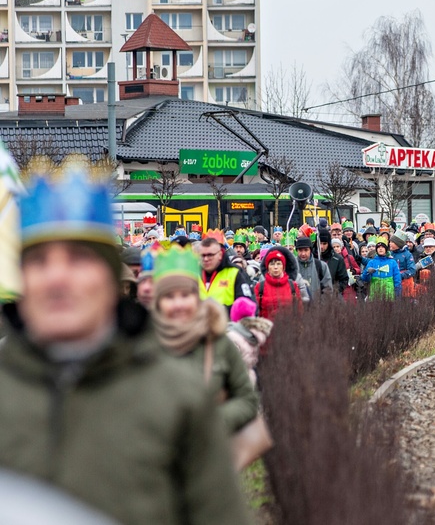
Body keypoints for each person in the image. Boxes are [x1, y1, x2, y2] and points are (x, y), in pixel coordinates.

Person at [0, 172, 251, 525]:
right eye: (38, 262)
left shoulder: (178, 394)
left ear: (110, 279)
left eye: (78, 259)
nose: (57, 277)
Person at [151, 246, 258, 436]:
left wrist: (214, 420)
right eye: (169, 296)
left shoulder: (221, 345)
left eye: (186, 295)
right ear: (157, 302)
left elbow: (248, 400)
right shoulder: (141, 345)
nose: (178, 304)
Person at [199, 231, 255, 315]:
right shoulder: (193, 275)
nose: (206, 259)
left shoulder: (235, 273)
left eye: (210, 255)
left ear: (220, 254)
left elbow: (247, 305)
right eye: (203, 255)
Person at [255, 248, 307, 319]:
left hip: (288, 328)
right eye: (272, 264)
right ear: (267, 268)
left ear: (283, 267)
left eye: (279, 264)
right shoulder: (260, 287)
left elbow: (299, 311)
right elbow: (255, 312)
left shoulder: (293, 286)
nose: (275, 267)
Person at [318, 228, 349, 296]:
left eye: (324, 243)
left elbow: (344, 279)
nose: (322, 246)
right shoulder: (313, 258)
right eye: (320, 243)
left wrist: (335, 291)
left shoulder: (337, 259)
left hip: (333, 297)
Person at [389, 231, 417, 296]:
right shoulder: (390, 254)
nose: (390, 244)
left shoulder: (407, 254)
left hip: (404, 284)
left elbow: (412, 270)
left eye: (392, 242)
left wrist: (399, 275)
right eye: (390, 242)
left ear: (398, 244)